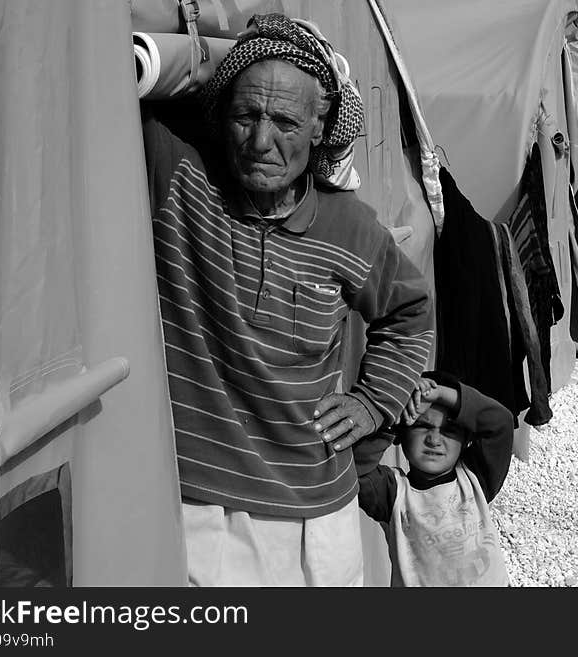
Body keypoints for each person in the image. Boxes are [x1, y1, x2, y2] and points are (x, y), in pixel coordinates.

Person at [141, 13, 434, 586]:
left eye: (285, 121)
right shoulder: (181, 177)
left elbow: (410, 313)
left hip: (317, 509)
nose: (260, 141)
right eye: (245, 115)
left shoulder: (352, 228)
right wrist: (230, 59)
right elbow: (122, 64)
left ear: (322, 128)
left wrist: (374, 402)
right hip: (198, 505)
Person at [356, 372, 514, 586]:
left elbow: (500, 422)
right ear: (401, 433)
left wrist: (438, 394)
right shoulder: (391, 492)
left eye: (449, 431)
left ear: (466, 439)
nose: (434, 440)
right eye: (422, 426)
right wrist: (394, 413)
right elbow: (355, 469)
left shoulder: (475, 477)